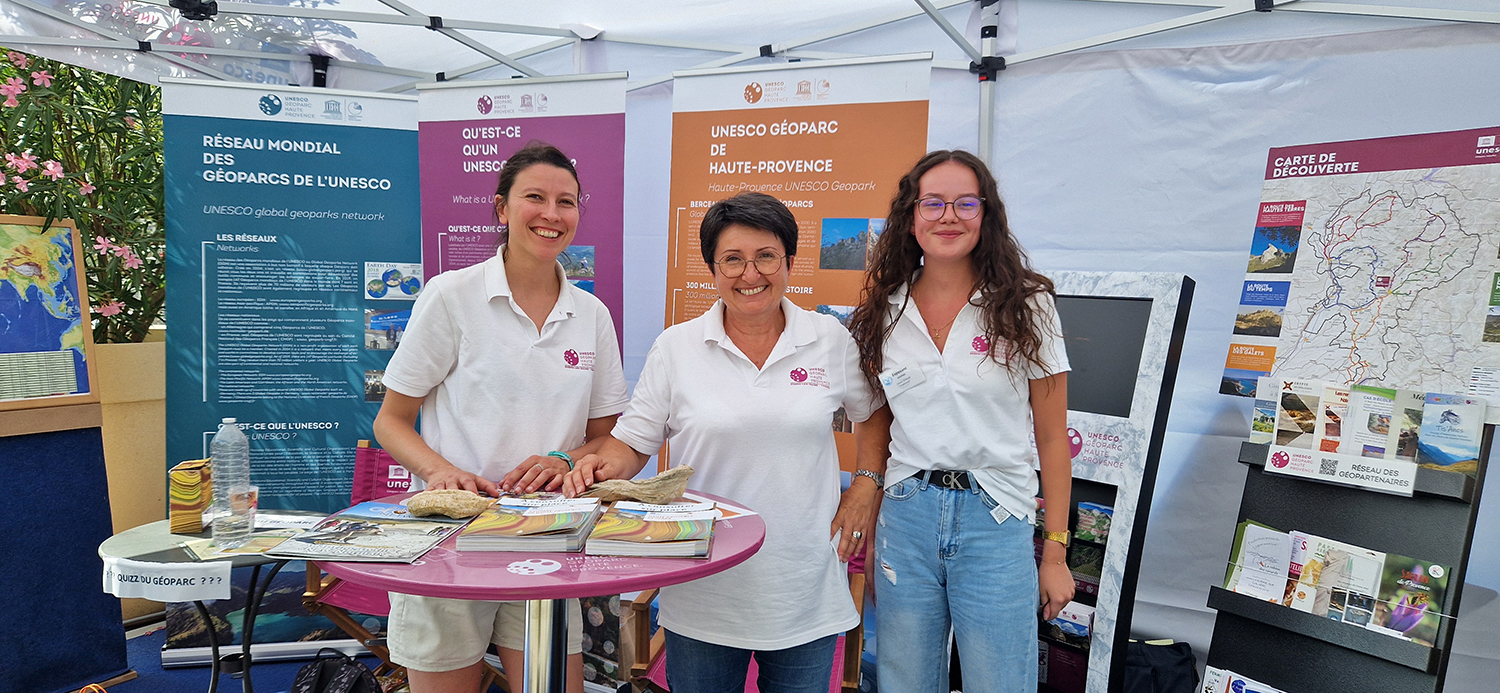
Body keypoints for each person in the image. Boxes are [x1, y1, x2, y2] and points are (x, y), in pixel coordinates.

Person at [561, 192, 891, 693]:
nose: (750, 274)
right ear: (713, 268)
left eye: (765, 257)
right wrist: (595, 471)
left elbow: (873, 416)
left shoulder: (829, 339)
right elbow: (631, 443)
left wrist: (865, 487)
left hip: (802, 587)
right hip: (704, 589)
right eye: (732, 259)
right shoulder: (677, 346)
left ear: (789, 263)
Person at [374, 142, 628, 693]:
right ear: (501, 209)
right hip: (450, 539)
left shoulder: (591, 314)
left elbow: (606, 439)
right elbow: (391, 420)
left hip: (548, 537)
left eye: (566, 201)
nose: (551, 214)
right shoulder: (452, 296)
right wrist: (441, 472)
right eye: (534, 197)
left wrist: (564, 459)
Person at [845, 150, 1074, 692]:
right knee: (905, 681)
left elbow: (1052, 439)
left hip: (995, 518)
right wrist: (874, 521)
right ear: (911, 215)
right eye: (933, 203)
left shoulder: (1026, 305)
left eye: (965, 203)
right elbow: (875, 423)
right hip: (907, 517)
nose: (949, 216)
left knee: (1000, 681)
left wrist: (1057, 551)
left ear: (986, 213)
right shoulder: (884, 310)